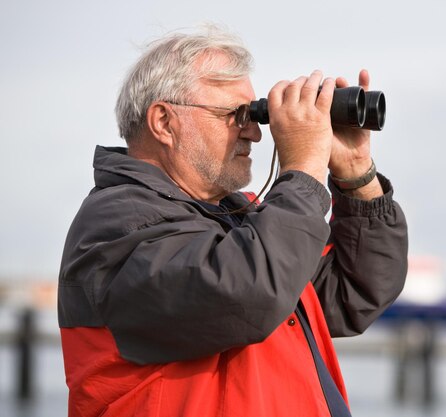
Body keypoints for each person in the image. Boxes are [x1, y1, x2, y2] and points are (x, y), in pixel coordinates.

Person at [58, 24, 408, 417]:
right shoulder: (115, 225)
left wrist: (357, 174)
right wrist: (305, 168)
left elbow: (353, 295)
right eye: (236, 114)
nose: (256, 133)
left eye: (254, 112)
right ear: (163, 122)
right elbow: (248, 291)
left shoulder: (243, 220)